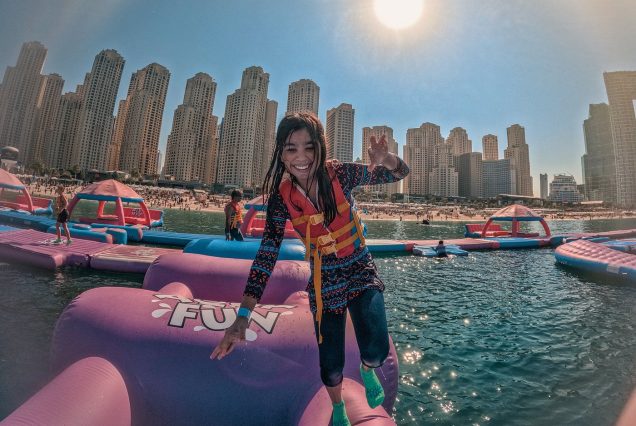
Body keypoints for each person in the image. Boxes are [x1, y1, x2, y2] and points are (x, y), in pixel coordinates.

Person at [211, 112, 409, 426]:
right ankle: (338, 407)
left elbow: (400, 173)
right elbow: (267, 255)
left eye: (309, 147)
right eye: (291, 149)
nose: (301, 157)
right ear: (281, 154)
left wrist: (386, 159)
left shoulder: (340, 174)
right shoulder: (281, 200)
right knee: (330, 365)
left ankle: (367, 369)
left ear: (320, 147)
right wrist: (243, 315)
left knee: (375, 351)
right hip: (323, 275)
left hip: (359, 265)